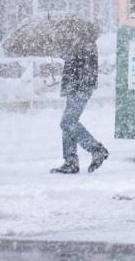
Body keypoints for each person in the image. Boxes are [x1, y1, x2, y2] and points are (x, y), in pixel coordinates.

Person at [51, 26, 108, 175]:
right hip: (75, 87)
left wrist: (64, 50)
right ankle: (70, 161)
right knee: (68, 124)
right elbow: (73, 60)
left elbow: (78, 62)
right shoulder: (81, 43)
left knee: (67, 122)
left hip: (80, 88)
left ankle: (96, 149)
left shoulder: (85, 44)